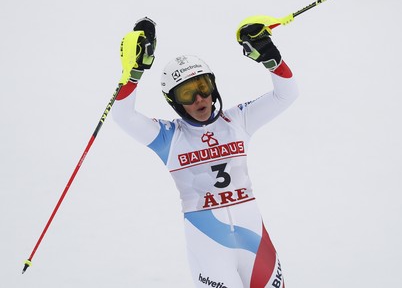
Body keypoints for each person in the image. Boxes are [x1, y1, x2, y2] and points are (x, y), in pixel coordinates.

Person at [112, 15, 299, 288]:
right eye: (187, 94)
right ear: (174, 103)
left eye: (203, 87)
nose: (199, 99)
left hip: (254, 239)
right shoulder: (169, 138)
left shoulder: (238, 121)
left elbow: (287, 94)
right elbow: (123, 117)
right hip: (210, 248)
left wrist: (271, 58)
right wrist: (133, 73)